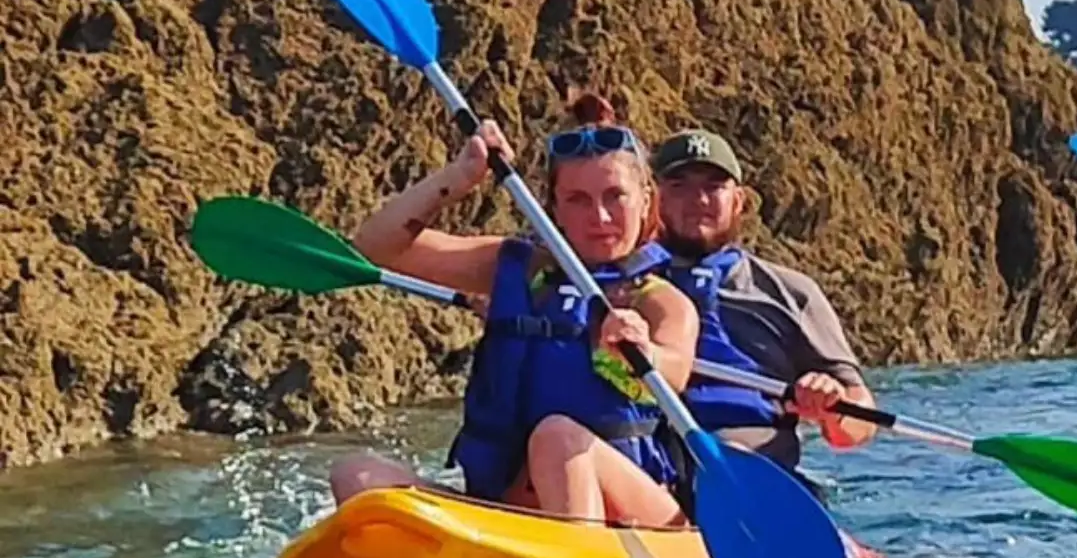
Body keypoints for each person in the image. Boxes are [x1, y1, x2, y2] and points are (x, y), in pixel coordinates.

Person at [328, 93, 698, 527]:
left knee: (557, 437)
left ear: (646, 201)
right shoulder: (517, 270)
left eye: (615, 196)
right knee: (357, 476)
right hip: (508, 512)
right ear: (555, 209)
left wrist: (641, 351)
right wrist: (460, 177)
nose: (599, 216)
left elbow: (673, 371)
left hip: (636, 521)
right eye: (577, 199)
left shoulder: (658, 300)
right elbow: (377, 247)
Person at [645, 127, 878, 473]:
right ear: (653, 199)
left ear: (738, 201)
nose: (699, 199)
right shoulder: (620, 286)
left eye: (714, 186)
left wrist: (833, 404)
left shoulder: (791, 293)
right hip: (651, 471)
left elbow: (861, 423)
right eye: (680, 186)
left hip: (754, 476)